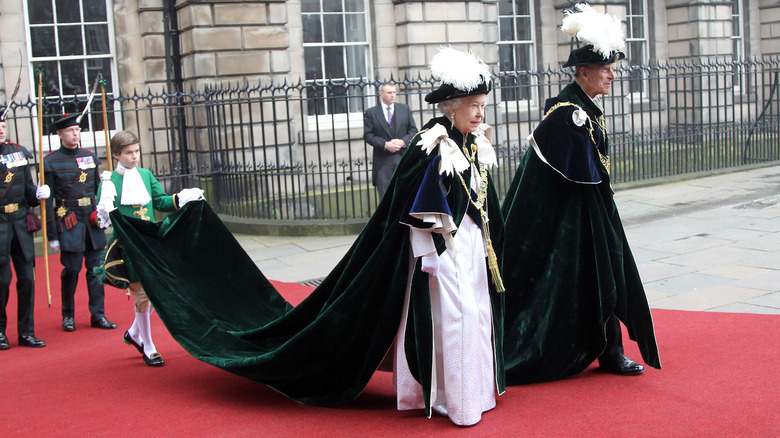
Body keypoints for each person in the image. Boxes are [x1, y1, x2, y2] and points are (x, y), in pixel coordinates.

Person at [106, 47, 504, 427]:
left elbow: (480, 198)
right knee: (455, 317)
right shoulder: (431, 142)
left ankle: (473, 394)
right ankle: (453, 399)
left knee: (476, 313)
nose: (480, 113)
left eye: (483, 106)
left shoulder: (472, 142)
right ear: (452, 106)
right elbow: (411, 204)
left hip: (470, 247)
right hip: (439, 250)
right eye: (474, 106)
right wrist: (428, 251)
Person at [501, 3, 661, 385]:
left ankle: (610, 350)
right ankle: (609, 351)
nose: (611, 76)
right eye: (605, 70)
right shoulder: (568, 116)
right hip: (574, 224)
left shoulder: (584, 111)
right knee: (602, 274)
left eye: (612, 69)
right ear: (584, 72)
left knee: (605, 274)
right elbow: (553, 187)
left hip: (589, 216)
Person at [95, 130, 204, 366]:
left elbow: (160, 202)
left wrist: (182, 197)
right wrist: (104, 207)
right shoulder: (108, 181)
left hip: (151, 239)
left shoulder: (145, 174)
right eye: (128, 153)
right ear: (116, 155)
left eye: (136, 151)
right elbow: (104, 217)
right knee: (142, 294)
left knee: (160, 289)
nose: (135, 157)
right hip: (128, 244)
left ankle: (134, 334)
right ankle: (148, 345)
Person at [44, 113, 117, 331]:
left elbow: (98, 191)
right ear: (60, 134)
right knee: (72, 269)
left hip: (91, 220)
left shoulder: (90, 158)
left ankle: (98, 314)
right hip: (69, 219)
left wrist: (104, 213)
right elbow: (48, 202)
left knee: (96, 269)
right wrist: (52, 234)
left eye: (77, 130)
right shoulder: (50, 162)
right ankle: (68, 315)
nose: (75, 134)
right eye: (70, 131)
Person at [0, 108, 50, 349]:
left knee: (27, 279)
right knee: (2, 280)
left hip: (20, 222)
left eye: (2, 124)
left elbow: (27, 189)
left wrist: (38, 193)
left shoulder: (18, 153)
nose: (1, 129)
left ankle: (26, 332)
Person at [363, 82, 418, 198]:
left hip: (402, 158)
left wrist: (403, 141)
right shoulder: (371, 113)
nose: (392, 95)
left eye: (394, 92)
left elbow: (413, 131)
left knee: (405, 196)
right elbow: (368, 135)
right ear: (381, 93)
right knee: (385, 198)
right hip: (383, 162)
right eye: (389, 93)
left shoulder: (404, 109)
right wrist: (385, 144)